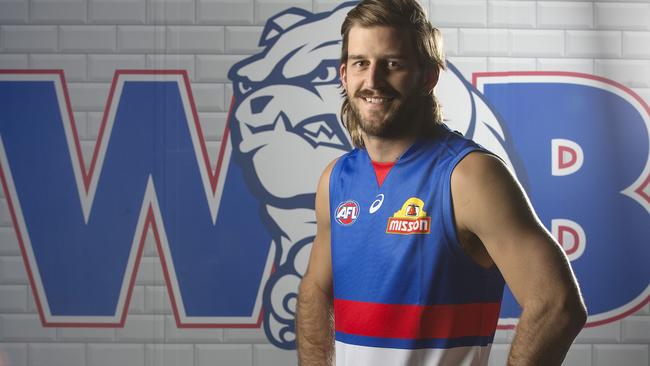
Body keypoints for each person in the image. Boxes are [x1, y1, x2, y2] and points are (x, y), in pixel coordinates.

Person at [295, 1, 587, 365]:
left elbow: (557, 306)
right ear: (344, 75)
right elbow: (315, 291)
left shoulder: (469, 175)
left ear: (428, 77)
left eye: (393, 64)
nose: (372, 81)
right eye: (360, 64)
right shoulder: (335, 179)